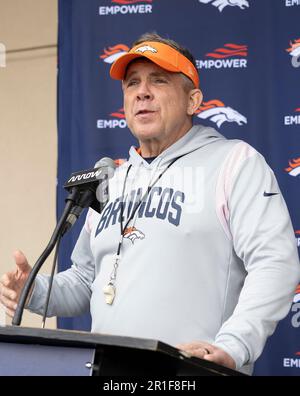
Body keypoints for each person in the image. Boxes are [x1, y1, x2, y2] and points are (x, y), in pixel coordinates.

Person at [0, 33, 299, 375]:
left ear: (193, 100)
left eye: (159, 80)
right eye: (132, 83)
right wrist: (34, 290)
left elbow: (275, 262)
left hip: (190, 372)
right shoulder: (110, 180)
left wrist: (233, 345)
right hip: (107, 371)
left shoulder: (235, 162)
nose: (142, 91)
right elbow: (87, 281)